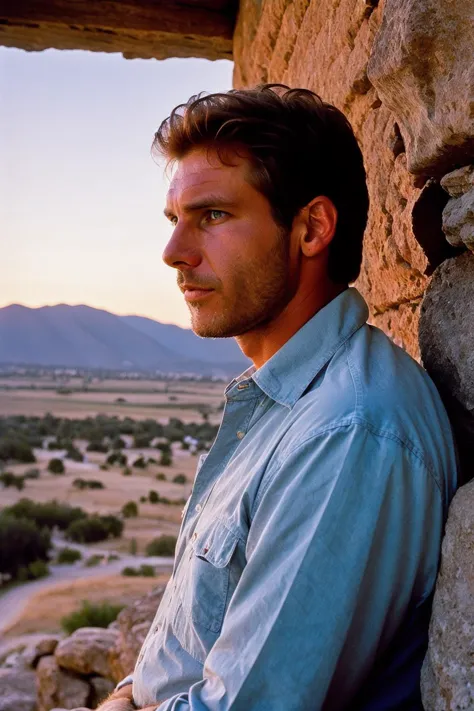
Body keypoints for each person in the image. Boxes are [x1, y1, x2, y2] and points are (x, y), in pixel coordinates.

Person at [99, 85, 458, 711]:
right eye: (174, 219)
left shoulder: (348, 432)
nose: (173, 253)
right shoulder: (285, 404)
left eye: (211, 216)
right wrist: (132, 693)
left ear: (311, 228)